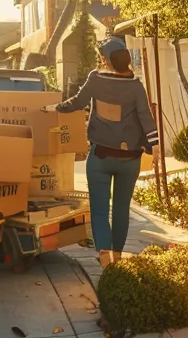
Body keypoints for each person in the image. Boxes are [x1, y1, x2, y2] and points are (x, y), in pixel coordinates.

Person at [48, 36, 158, 268]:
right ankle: (117, 257)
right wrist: (154, 147)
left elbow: (77, 103)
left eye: (101, 57)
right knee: (121, 209)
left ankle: (105, 258)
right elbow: (146, 118)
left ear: (107, 61)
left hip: (100, 156)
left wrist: (54, 108)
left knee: (99, 209)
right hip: (130, 159)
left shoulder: (95, 79)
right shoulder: (136, 85)